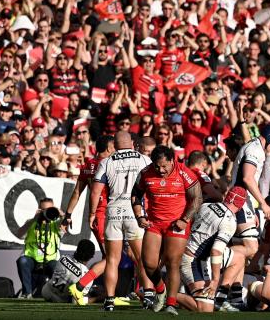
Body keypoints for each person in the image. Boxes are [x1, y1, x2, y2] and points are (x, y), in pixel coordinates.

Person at [70, 131, 153, 311]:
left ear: (114, 145)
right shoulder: (144, 160)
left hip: (113, 211)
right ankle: (148, 296)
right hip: (134, 210)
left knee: (112, 259)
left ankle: (109, 301)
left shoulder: (107, 162)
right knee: (141, 258)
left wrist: (92, 213)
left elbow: (95, 191)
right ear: (132, 143)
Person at [131, 145, 203, 315]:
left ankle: (171, 304)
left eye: (164, 166)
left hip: (176, 224)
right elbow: (135, 195)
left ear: (172, 161)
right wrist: (139, 217)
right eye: (157, 166)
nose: (161, 170)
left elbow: (197, 198)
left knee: (172, 263)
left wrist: (185, 219)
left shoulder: (184, 172)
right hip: (154, 223)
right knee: (148, 263)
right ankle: (160, 290)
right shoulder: (145, 173)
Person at [177, 186, 247, 312]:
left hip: (189, 250)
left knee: (239, 257)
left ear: (227, 196)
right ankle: (166, 294)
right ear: (240, 206)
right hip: (192, 260)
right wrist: (215, 280)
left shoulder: (207, 205)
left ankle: (219, 300)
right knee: (205, 309)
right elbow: (216, 251)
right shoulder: (229, 221)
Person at [63, 135, 114, 299]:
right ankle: (80, 286)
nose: (115, 149)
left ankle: (109, 296)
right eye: (113, 146)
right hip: (103, 215)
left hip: (99, 215)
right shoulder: (108, 164)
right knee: (112, 257)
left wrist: (68, 215)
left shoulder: (88, 166)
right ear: (107, 148)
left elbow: (77, 192)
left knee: (110, 257)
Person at [229, 124, 270, 260]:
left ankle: (233, 282)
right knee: (252, 249)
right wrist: (263, 204)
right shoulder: (255, 150)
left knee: (243, 253)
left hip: (242, 200)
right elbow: (247, 178)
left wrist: (252, 210)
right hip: (239, 199)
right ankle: (214, 253)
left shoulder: (255, 147)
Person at [15, 198, 63, 298]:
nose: (47, 212)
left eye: (50, 209)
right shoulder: (31, 222)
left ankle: (55, 294)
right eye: (44, 210)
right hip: (31, 258)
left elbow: (65, 223)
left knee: (57, 266)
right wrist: (34, 219)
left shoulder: (56, 224)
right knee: (22, 261)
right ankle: (27, 293)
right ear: (39, 210)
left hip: (50, 259)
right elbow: (19, 234)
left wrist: (61, 214)